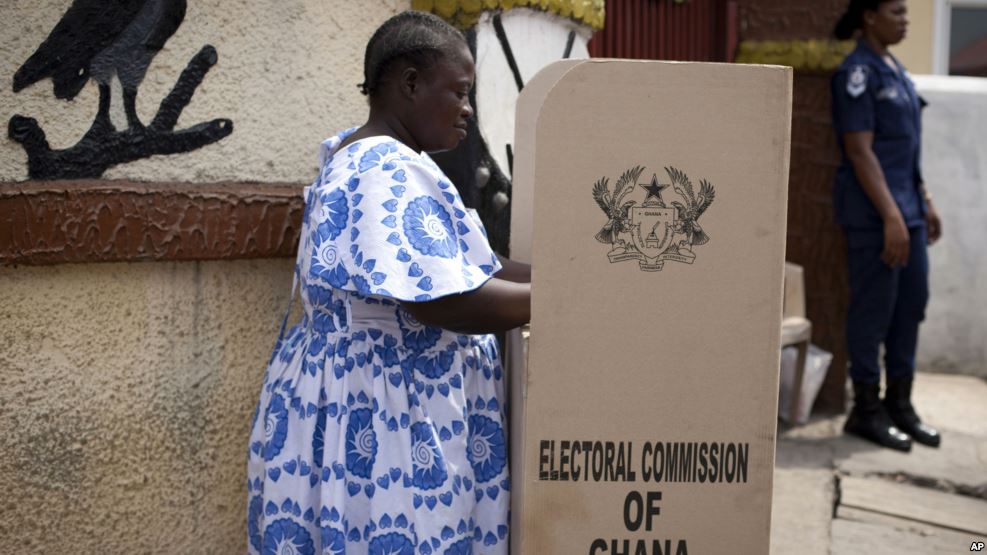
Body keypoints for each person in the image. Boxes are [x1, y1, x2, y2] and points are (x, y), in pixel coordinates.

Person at [246, 11, 530, 554]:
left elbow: (476, 264)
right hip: (388, 421)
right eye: (460, 92)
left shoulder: (373, 158)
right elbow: (445, 301)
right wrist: (569, 299)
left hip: (360, 396)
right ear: (410, 84)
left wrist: (574, 276)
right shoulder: (385, 171)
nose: (468, 110)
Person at [831, 0, 942, 452]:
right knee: (874, 312)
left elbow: (906, 148)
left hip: (908, 213)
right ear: (869, 17)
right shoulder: (857, 72)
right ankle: (866, 410)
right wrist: (892, 216)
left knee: (910, 308)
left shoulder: (894, 67)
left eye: (907, 13)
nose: (905, 21)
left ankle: (901, 405)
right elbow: (860, 152)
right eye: (896, 12)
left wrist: (925, 199)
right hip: (876, 217)